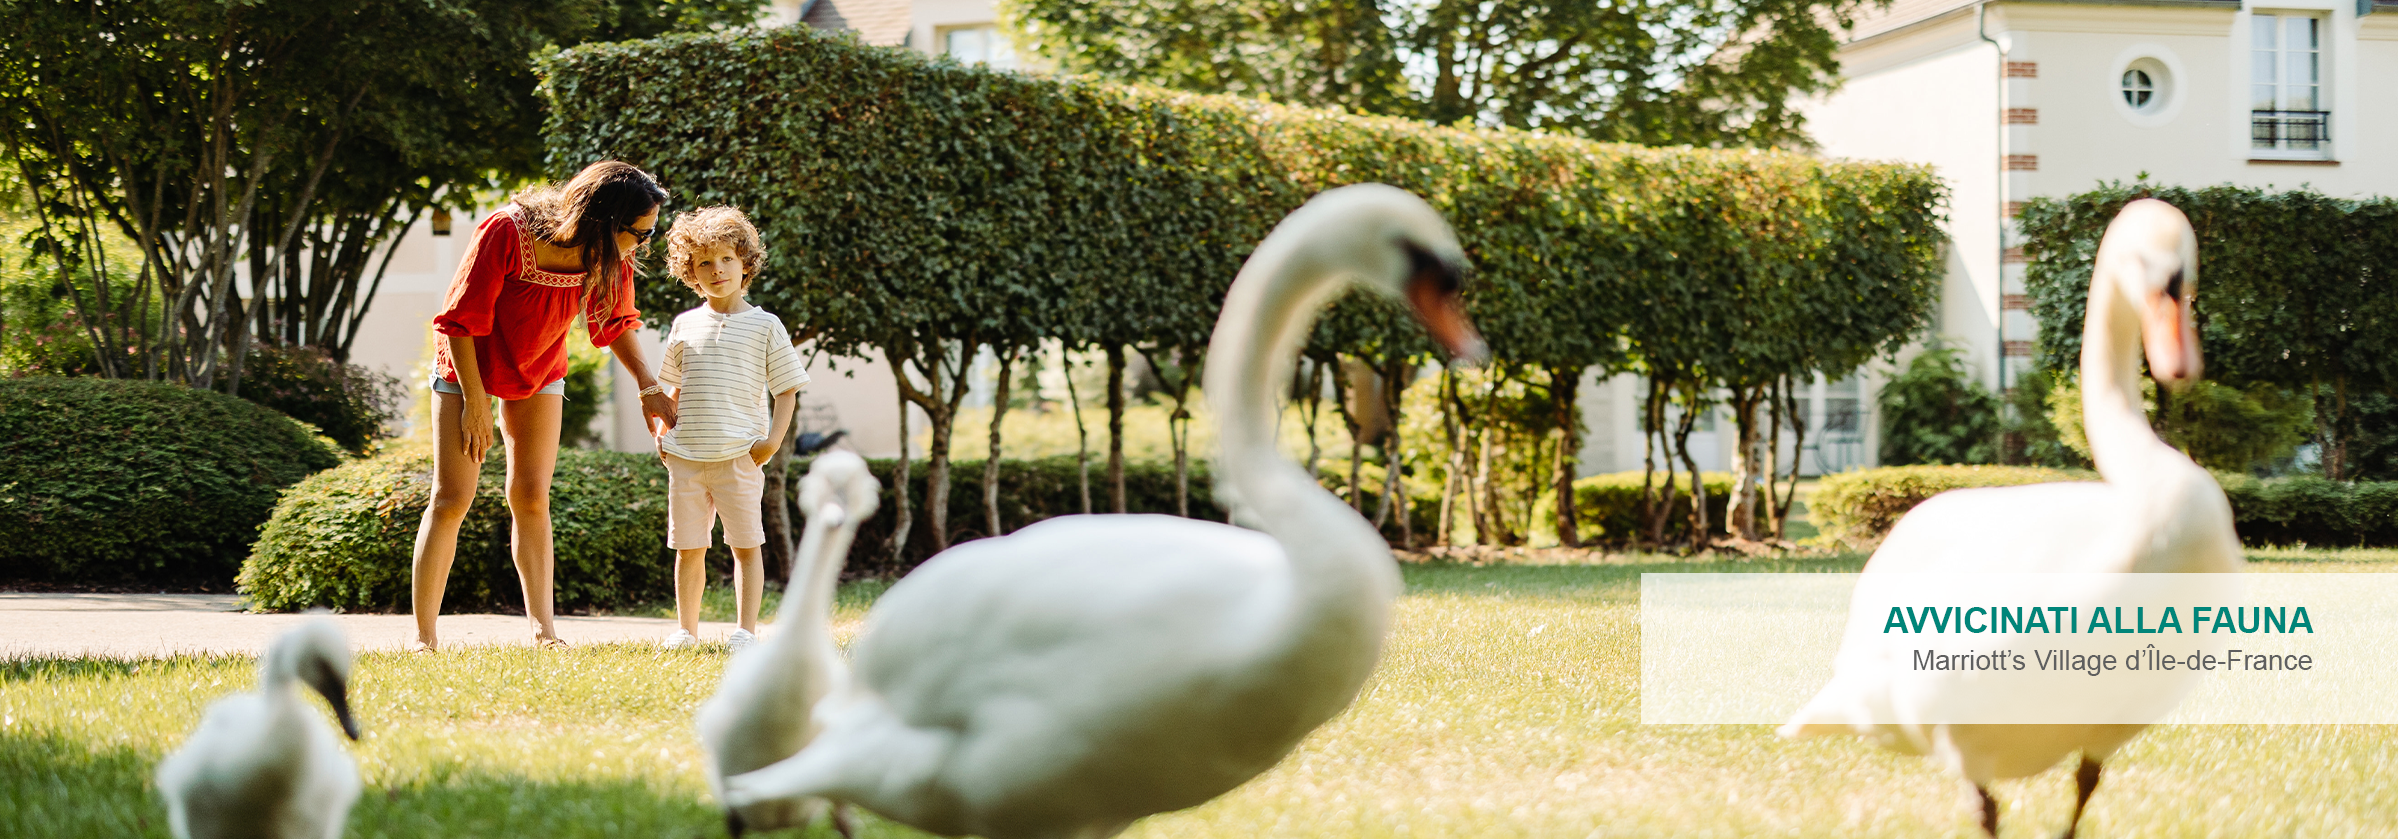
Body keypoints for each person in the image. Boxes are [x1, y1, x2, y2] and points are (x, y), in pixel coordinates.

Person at [411, 161, 676, 652]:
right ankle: (425, 639)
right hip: (466, 367)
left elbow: (616, 321)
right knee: (452, 498)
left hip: (538, 368)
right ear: (605, 220)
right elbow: (459, 321)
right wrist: (474, 404)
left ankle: (544, 633)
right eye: (640, 232)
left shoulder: (607, 257)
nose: (644, 243)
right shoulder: (508, 231)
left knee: (531, 497)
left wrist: (648, 386)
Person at [652, 206, 808, 651]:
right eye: (704, 262)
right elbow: (672, 390)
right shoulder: (684, 324)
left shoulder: (765, 326)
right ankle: (686, 631)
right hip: (685, 458)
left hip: (740, 456)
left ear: (746, 264)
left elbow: (787, 391)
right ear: (690, 272)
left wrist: (771, 444)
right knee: (689, 548)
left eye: (726, 259)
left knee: (745, 547)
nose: (716, 270)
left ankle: (746, 632)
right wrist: (663, 435)